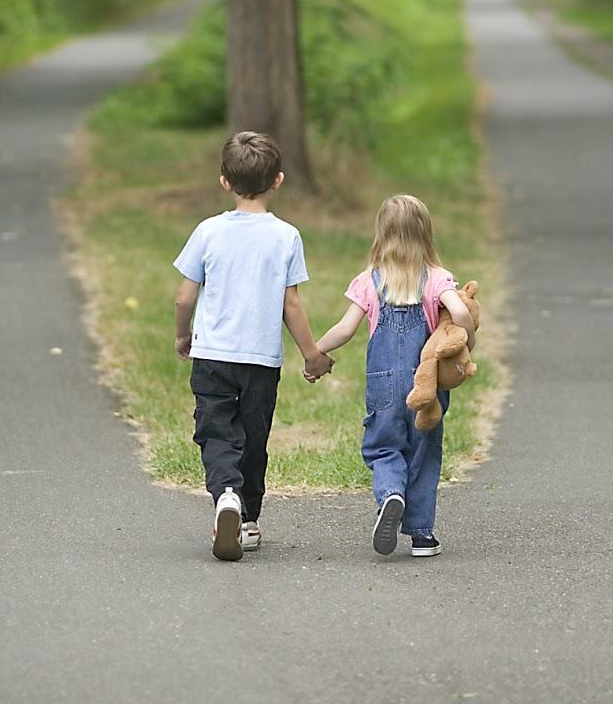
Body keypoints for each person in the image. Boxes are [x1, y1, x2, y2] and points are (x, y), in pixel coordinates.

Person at [173, 131, 334, 562]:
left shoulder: (208, 231)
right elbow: (291, 304)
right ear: (278, 180)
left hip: (213, 357)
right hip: (261, 360)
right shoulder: (286, 236)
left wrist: (182, 335)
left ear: (224, 181)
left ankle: (226, 495)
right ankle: (247, 519)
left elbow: (184, 297)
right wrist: (312, 354)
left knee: (217, 432)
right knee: (254, 437)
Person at [315, 194, 475, 557]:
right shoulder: (436, 279)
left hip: (384, 383)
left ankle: (391, 494)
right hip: (427, 385)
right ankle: (421, 536)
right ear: (426, 235)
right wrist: (467, 337)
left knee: (384, 446)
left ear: (381, 236)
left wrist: (317, 352)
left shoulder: (369, 281)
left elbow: (345, 328)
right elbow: (460, 314)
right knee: (424, 451)